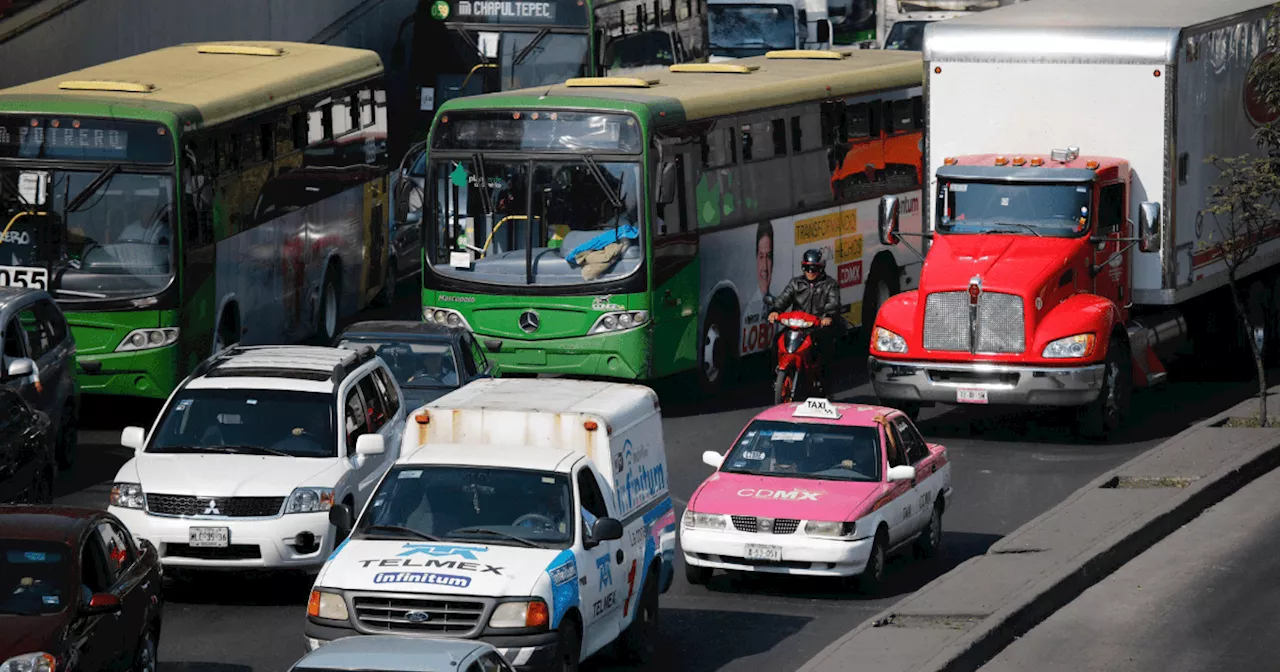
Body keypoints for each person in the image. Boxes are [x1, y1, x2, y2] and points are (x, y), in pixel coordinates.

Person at [768, 249, 842, 392]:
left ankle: (823, 383)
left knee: (825, 347)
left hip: (817, 328)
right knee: (777, 341)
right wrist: (775, 311)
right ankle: (776, 378)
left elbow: (833, 304)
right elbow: (784, 299)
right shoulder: (796, 283)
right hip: (796, 326)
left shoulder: (830, 285)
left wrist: (827, 317)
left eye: (814, 268)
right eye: (807, 268)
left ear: (821, 268)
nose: (810, 271)